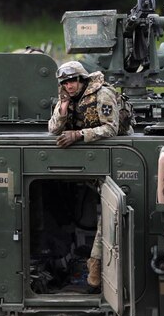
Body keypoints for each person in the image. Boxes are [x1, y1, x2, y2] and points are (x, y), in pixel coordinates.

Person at [48, 60, 129, 288]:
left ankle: (95, 266)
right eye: (65, 82)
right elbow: (53, 129)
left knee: (109, 213)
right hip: (86, 161)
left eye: (72, 81)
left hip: (113, 155)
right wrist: (63, 112)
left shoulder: (102, 95)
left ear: (82, 80)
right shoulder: (65, 98)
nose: (69, 86)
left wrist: (78, 135)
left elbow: (111, 129)